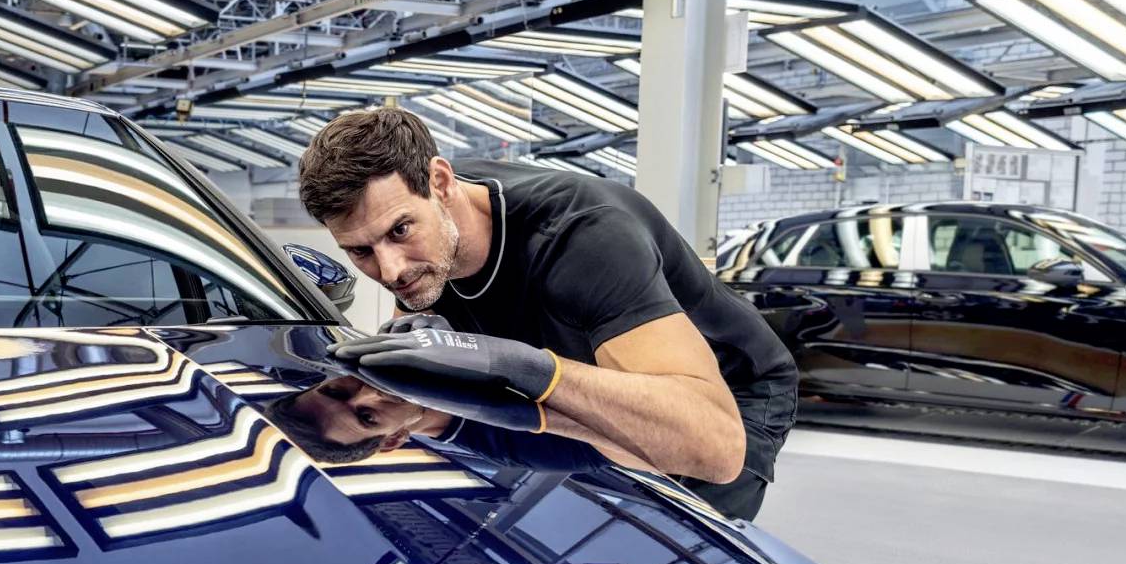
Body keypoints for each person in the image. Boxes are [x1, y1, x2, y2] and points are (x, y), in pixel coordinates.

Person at [296, 105, 798, 519]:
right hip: (584, 376)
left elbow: (715, 445)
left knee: (666, 537)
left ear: (441, 182)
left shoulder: (583, 236)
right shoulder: (426, 251)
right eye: (359, 251)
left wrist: (525, 367)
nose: (389, 270)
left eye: (400, 231)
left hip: (727, 397)